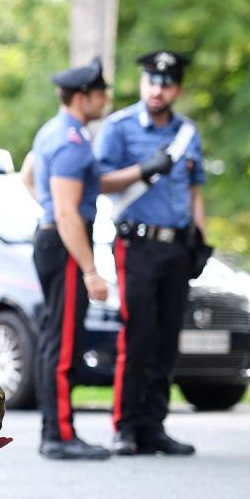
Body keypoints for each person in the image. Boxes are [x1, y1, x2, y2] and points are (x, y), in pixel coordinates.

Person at [96, 50, 205, 456]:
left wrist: (201, 239)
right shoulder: (120, 127)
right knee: (138, 336)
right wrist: (143, 169)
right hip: (136, 244)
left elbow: (194, 190)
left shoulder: (188, 133)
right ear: (144, 84)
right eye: (151, 81)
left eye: (166, 83)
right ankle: (125, 426)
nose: (158, 90)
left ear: (176, 88)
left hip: (176, 245)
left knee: (167, 339)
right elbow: (101, 181)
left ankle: (154, 425)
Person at [29, 57, 113, 461]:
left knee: (55, 339)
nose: (107, 99)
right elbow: (67, 212)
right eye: (102, 93)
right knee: (62, 345)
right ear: (83, 97)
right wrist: (91, 270)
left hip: (53, 238)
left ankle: (58, 430)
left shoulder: (54, 130)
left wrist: (48, 210)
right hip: (64, 243)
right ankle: (59, 433)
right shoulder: (71, 142)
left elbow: (28, 177)